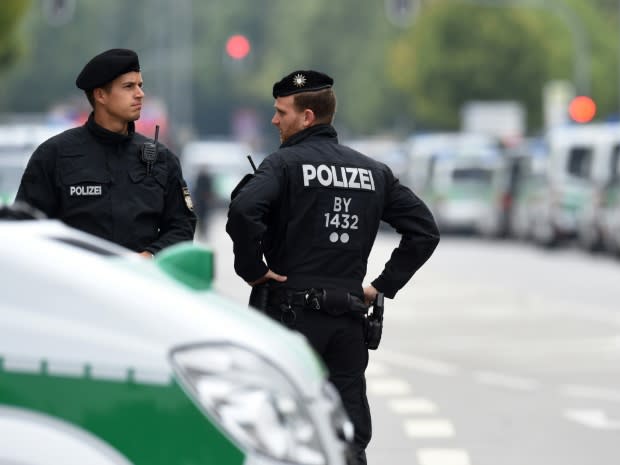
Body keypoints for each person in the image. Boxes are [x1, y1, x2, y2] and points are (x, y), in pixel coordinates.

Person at [226, 70, 440, 464]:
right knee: (347, 437)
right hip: (348, 322)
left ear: (307, 117)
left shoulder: (283, 165)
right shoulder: (373, 172)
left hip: (289, 319)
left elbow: (243, 211)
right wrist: (379, 286)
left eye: (281, 112)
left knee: (281, 430)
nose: (274, 120)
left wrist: (253, 269)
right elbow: (424, 231)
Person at [16, 48, 196, 256]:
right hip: (73, 284)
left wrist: (150, 256)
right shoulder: (54, 155)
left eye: (140, 85)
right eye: (129, 86)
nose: (140, 94)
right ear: (100, 94)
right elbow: (25, 227)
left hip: (140, 284)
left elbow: (182, 226)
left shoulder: (161, 159)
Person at [192, 165, 214, 240]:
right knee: (201, 218)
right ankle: (202, 232)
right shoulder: (200, 179)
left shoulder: (205, 179)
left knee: (204, 218)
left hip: (204, 202)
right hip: (200, 202)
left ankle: (204, 232)